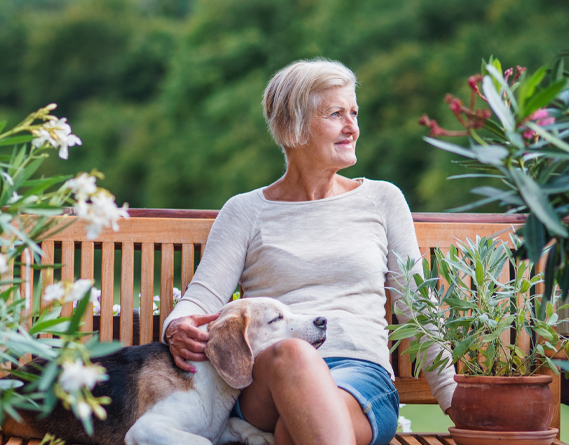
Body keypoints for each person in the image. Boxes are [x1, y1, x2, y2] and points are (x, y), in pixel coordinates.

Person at [162, 58, 456, 445]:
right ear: (293, 127)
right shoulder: (245, 211)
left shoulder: (383, 200)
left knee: (292, 432)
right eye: (336, 114)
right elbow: (202, 298)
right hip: (268, 378)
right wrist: (175, 329)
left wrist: (454, 399)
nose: (352, 127)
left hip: (360, 378)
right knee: (295, 356)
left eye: (353, 112)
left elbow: (417, 307)